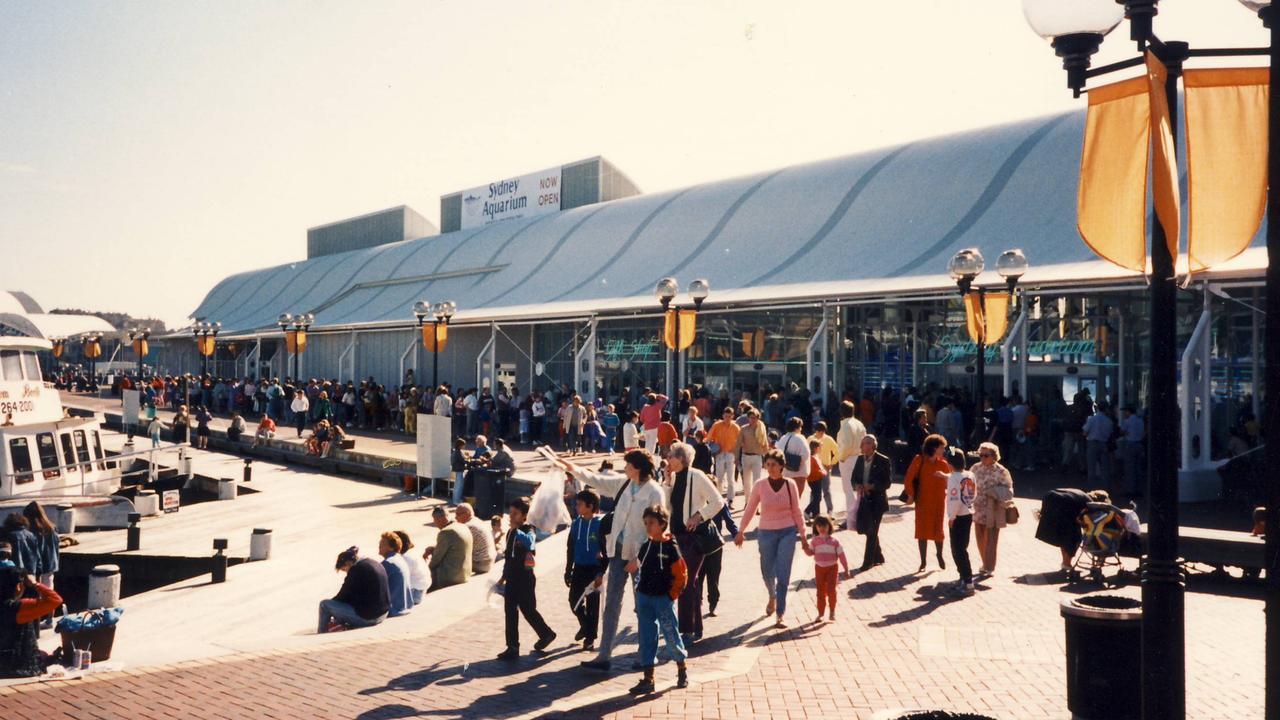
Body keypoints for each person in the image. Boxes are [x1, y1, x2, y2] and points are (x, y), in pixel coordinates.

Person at [554, 449, 668, 672]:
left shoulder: (655, 492)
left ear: (637, 467)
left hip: (640, 556)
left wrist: (641, 557)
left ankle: (646, 655)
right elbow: (597, 480)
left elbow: (660, 527)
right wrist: (573, 469)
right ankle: (604, 655)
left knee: (642, 606)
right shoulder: (624, 483)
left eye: (627, 465)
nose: (624, 468)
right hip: (617, 551)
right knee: (612, 603)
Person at [735, 449, 811, 628]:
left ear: (781, 466)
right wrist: (741, 531)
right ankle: (772, 596)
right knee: (767, 570)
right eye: (767, 465)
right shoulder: (760, 485)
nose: (769, 468)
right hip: (766, 533)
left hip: (787, 532)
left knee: (783, 573)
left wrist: (804, 536)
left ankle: (780, 613)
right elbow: (751, 508)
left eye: (773, 465)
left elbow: (797, 511)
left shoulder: (790, 484)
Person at [664, 442, 725, 645]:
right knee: (690, 582)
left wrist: (699, 515)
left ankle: (687, 631)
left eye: (671, 456)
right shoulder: (671, 478)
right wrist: (666, 482)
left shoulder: (696, 476)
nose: (668, 459)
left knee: (686, 583)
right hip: (676, 537)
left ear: (681, 458)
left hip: (694, 538)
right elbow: (666, 507)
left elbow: (717, 501)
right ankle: (695, 628)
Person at [626, 505, 689, 694]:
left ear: (662, 524)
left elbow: (681, 574)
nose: (647, 527)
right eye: (645, 523)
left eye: (651, 523)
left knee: (670, 633)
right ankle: (648, 678)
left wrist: (671, 595)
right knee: (646, 637)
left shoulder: (671, 548)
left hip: (662, 599)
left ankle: (682, 669)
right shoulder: (646, 546)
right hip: (644, 597)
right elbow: (638, 567)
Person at [496, 497, 556, 660]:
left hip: (525, 579)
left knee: (528, 609)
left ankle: (546, 633)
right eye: (510, 513)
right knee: (510, 611)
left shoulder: (528, 530)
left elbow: (530, 544)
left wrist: (517, 530)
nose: (511, 517)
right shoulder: (510, 533)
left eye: (515, 514)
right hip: (512, 579)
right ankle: (512, 646)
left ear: (524, 516)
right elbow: (508, 557)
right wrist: (503, 577)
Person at [0, 567, 62, 678]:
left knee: (43, 653)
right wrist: (35, 584)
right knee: (44, 655)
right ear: (19, 587)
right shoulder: (19, 608)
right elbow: (55, 600)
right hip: (19, 665)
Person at [904, 434, 951, 573]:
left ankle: (939, 555)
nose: (944, 450)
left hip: (938, 501)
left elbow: (951, 480)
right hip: (923, 501)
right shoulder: (919, 460)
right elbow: (909, 478)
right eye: (942, 448)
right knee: (922, 531)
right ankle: (923, 561)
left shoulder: (943, 463)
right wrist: (911, 494)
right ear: (934, 448)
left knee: (938, 529)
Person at [565, 490, 605, 652]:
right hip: (579, 569)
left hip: (594, 569)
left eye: (580, 504)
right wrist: (568, 570)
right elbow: (570, 547)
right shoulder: (576, 524)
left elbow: (605, 550)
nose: (576, 506)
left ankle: (590, 638)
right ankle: (585, 625)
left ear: (590, 506)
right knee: (574, 601)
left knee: (593, 604)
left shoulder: (599, 524)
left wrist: (601, 572)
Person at [319, 546, 389, 633]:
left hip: (370, 618)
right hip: (383, 614)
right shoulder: (374, 563)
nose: (346, 573)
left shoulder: (355, 570)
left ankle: (321, 633)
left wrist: (333, 610)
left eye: (344, 569)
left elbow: (341, 597)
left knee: (324, 605)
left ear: (348, 563)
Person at [972, 442, 1015, 576]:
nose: (983, 458)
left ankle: (989, 567)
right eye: (981, 455)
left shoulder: (1002, 471)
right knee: (980, 538)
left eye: (986, 455)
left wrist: (994, 492)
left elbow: (1009, 492)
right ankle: (985, 563)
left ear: (994, 456)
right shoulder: (975, 468)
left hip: (993, 509)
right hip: (977, 508)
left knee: (991, 539)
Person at [850, 434, 892, 572]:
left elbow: (887, 483)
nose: (864, 446)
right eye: (863, 444)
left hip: (877, 501)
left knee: (872, 531)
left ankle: (868, 562)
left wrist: (873, 486)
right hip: (864, 500)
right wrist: (857, 485)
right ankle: (878, 556)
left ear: (873, 445)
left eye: (867, 443)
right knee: (869, 530)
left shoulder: (883, 460)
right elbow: (854, 478)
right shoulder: (860, 460)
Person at [944, 447, 977, 596]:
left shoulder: (953, 478)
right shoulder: (970, 474)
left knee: (958, 549)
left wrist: (952, 517)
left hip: (958, 516)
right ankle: (963, 577)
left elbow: (954, 499)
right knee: (961, 547)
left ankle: (968, 582)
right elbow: (972, 493)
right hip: (968, 513)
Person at [21, 503, 58, 628]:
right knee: (49, 591)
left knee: (39, 594)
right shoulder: (52, 528)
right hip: (52, 564)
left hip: (42, 567)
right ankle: (49, 620)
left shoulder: (35, 532)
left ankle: (37, 621)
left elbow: (37, 552)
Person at [807, 515, 848, 622]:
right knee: (820, 591)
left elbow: (841, 555)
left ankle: (832, 611)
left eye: (824, 525)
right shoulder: (814, 541)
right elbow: (810, 553)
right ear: (816, 527)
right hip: (819, 568)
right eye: (819, 526)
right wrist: (804, 547)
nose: (821, 528)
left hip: (832, 568)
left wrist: (846, 569)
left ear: (829, 526)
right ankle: (821, 613)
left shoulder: (834, 541)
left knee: (831, 590)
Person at [702, 501, 738, 617]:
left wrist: (736, 534)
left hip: (715, 546)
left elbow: (729, 520)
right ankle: (697, 602)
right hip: (697, 545)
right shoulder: (693, 500)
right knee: (697, 578)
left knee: (713, 577)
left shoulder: (719, 502)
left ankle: (713, 603)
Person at [835, 401, 867, 531]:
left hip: (848, 459)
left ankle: (851, 519)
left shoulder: (846, 426)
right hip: (859, 457)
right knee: (859, 490)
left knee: (848, 490)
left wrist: (841, 458)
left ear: (842, 412)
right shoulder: (859, 424)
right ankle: (860, 516)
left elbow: (846, 445)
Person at [424, 507, 472, 592]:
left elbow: (436, 559)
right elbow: (454, 547)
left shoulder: (445, 532)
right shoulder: (462, 526)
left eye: (434, 520)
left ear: (440, 519)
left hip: (451, 577)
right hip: (465, 573)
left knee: (423, 578)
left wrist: (426, 570)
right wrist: (434, 548)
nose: (434, 523)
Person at [706, 407, 741, 502]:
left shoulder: (736, 427)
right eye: (726, 416)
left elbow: (739, 442)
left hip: (730, 454)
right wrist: (711, 447)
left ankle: (730, 499)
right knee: (719, 477)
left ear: (733, 416)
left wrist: (736, 453)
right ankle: (718, 499)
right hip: (720, 454)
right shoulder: (717, 425)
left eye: (729, 416)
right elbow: (708, 437)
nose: (727, 418)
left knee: (730, 478)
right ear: (723, 416)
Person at [737, 410, 769, 508]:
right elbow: (738, 444)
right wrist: (736, 458)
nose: (753, 420)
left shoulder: (761, 429)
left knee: (757, 482)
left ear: (758, 418)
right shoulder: (743, 429)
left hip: (757, 457)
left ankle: (756, 505)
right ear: (748, 418)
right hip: (745, 457)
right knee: (746, 482)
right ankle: (747, 502)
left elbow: (765, 444)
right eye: (751, 418)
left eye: (755, 418)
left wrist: (767, 459)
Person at [806, 421, 839, 517]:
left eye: (822, 431)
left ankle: (830, 511)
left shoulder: (828, 439)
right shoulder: (810, 439)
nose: (820, 433)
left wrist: (832, 463)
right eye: (818, 431)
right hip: (813, 467)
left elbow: (837, 452)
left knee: (826, 490)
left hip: (825, 466)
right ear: (815, 430)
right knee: (814, 491)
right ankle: (813, 512)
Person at [378, 532, 414, 616]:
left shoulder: (388, 563)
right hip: (404, 607)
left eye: (382, 544)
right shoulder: (400, 559)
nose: (379, 546)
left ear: (391, 548)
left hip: (393, 609)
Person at [454, 503, 495, 574]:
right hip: (489, 560)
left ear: (467, 513)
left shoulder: (469, 526)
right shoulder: (478, 521)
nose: (455, 517)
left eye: (458, 514)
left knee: (451, 557)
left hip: (482, 564)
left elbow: (457, 545)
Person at [1082, 401, 1115, 488]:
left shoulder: (1091, 419)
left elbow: (1085, 432)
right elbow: (1110, 433)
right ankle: (1106, 487)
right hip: (1104, 443)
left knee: (1091, 468)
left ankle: (1091, 488)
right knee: (1105, 468)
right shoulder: (1109, 421)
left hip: (1092, 443)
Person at [393, 531, 430, 605]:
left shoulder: (405, 558)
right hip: (419, 590)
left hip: (415, 593)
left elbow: (400, 581)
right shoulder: (412, 553)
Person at [1118, 405, 1145, 497]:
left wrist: (1125, 433)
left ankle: (1131, 490)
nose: (1125, 414)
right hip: (1139, 444)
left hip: (1130, 444)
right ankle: (1139, 489)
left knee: (1130, 468)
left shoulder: (1127, 421)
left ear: (1129, 412)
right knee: (1138, 468)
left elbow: (1122, 432)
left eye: (1126, 411)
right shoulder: (1140, 421)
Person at [450, 438, 468, 505]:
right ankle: (456, 501)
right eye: (464, 445)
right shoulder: (458, 452)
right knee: (459, 486)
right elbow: (463, 461)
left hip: (457, 470)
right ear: (460, 445)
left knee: (456, 486)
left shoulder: (456, 451)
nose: (464, 446)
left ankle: (455, 500)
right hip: (459, 470)